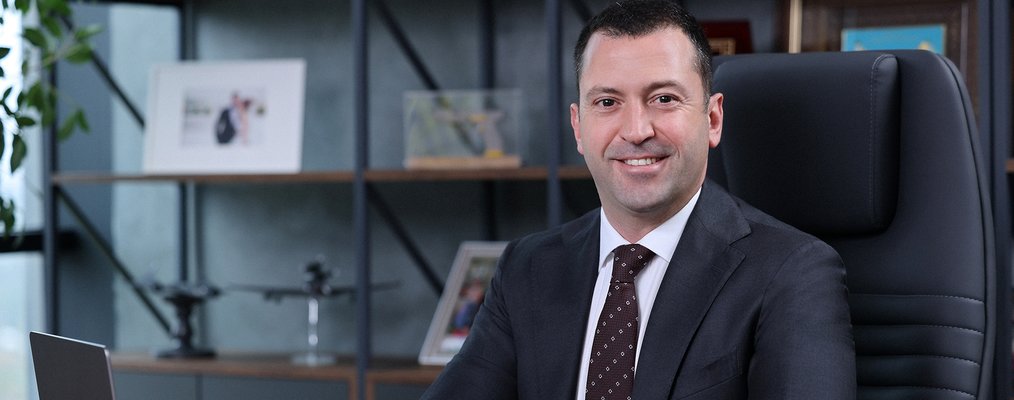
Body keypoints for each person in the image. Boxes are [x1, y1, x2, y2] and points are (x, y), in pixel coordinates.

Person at [421, 1, 855, 399]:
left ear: (712, 118)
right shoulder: (527, 268)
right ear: (578, 126)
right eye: (607, 102)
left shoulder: (792, 272)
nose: (635, 131)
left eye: (664, 99)